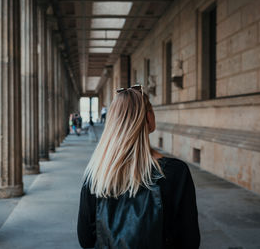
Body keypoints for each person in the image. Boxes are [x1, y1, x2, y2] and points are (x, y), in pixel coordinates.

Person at [77, 85, 200, 249]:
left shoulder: (96, 173)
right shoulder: (175, 172)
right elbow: (189, 240)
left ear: (112, 122)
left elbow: (85, 238)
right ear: (149, 118)